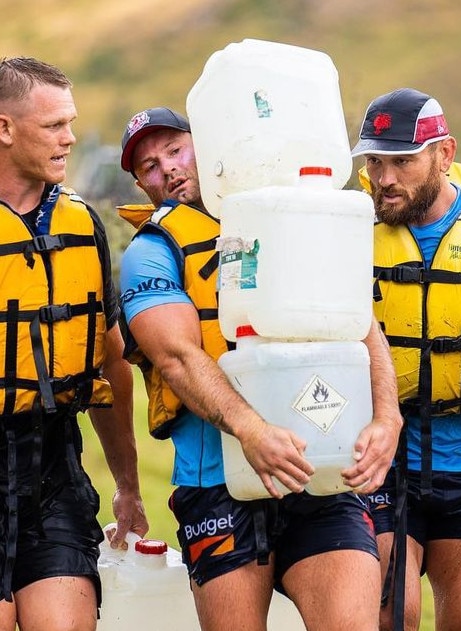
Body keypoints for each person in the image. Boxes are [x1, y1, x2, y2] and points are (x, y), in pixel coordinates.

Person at [118, 105, 403, 631]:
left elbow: (359, 322)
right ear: (141, 185)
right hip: (216, 483)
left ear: (208, 143)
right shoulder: (150, 253)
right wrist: (250, 430)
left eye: (176, 150)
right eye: (150, 167)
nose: (169, 169)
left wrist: (388, 417)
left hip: (318, 472)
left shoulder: (290, 220)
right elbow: (177, 357)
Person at [0, 57, 148, 631]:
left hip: (56, 470)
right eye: (54, 125)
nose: (70, 138)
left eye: (72, 123)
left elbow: (111, 360)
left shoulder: (83, 223)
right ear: (5, 129)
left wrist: (129, 488)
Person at [352, 87, 461, 631]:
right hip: (384, 464)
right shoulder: (348, 232)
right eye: (375, 161)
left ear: (444, 155)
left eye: (402, 161)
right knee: (390, 613)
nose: (385, 178)